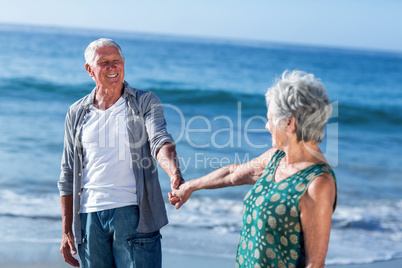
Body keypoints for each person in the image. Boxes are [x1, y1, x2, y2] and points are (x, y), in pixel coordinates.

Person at [169, 70, 337, 268]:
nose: (267, 126)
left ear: (289, 122)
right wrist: (190, 187)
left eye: (270, 118)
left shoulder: (317, 183)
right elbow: (233, 174)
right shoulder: (276, 158)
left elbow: (315, 264)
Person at [58, 38, 183, 268]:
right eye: (104, 62)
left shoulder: (144, 101)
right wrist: (67, 229)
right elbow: (67, 174)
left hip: (134, 216)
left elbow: (160, 140)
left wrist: (173, 172)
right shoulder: (75, 113)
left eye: (116, 60)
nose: (112, 67)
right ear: (89, 69)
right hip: (88, 219)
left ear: (124, 63)